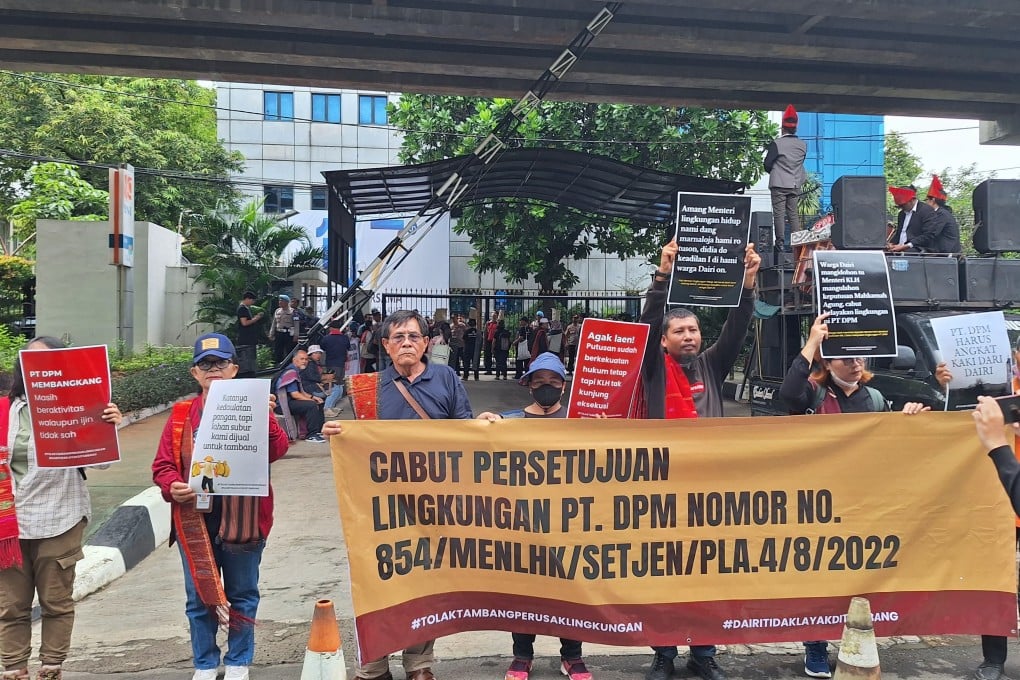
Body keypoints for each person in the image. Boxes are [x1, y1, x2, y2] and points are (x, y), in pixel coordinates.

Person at [323, 309, 473, 680]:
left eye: (413, 336)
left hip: (435, 500)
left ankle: (419, 662)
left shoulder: (446, 378)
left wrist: (484, 426)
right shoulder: (366, 387)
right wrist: (337, 433)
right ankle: (375, 663)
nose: (406, 342)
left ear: (426, 343)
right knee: (381, 577)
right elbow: (357, 440)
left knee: (429, 579)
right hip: (382, 503)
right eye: (397, 337)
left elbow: (465, 430)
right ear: (385, 346)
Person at [779, 312, 930, 678]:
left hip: (862, 502)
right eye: (846, 356)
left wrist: (909, 420)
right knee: (817, 576)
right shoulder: (812, 393)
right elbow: (787, 395)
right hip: (817, 504)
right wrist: (813, 341)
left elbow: (893, 448)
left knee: (856, 577)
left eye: (860, 356)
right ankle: (815, 645)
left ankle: (854, 639)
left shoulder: (876, 397)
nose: (855, 362)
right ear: (828, 362)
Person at [639, 239, 760, 680]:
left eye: (693, 330)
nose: (689, 336)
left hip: (709, 491)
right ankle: (664, 653)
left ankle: (704, 653)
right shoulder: (653, 370)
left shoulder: (711, 365)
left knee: (708, 574)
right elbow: (648, 325)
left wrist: (747, 286)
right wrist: (662, 276)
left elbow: (738, 329)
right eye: (680, 332)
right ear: (667, 341)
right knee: (665, 576)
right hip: (662, 490)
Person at [152, 333, 289, 680]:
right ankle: (206, 663)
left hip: (244, 518)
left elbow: (278, 450)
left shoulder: (253, 405)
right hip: (195, 518)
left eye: (220, 363)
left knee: (243, 593)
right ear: (194, 373)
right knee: (198, 598)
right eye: (205, 364)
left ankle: (239, 661)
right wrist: (173, 486)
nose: (213, 369)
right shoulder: (182, 415)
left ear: (234, 369)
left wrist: (267, 418)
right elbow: (163, 465)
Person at [0, 337, 123, 680]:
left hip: (60, 517)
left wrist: (108, 424)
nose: (38, 369)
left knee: (55, 600)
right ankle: (13, 669)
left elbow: (100, 464)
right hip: (9, 524)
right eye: (31, 361)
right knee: (10, 605)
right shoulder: (4, 412)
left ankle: (51, 667)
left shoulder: (78, 406)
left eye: (47, 362)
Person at [475, 352, 592, 680]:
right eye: (539, 382)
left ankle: (572, 656)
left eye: (553, 382)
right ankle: (522, 656)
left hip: (568, 524)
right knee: (523, 591)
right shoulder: (508, 422)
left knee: (572, 591)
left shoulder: (579, 423)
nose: (546, 388)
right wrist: (481, 428)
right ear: (529, 386)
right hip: (523, 525)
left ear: (564, 386)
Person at [764, 104, 807, 252]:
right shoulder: (803, 145)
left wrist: (776, 171)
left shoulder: (776, 144)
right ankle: (797, 243)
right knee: (793, 213)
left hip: (778, 184)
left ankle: (780, 243)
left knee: (779, 214)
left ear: (783, 127)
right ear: (795, 128)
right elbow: (799, 164)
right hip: (795, 184)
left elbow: (767, 164)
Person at [276, 348, 326, 443]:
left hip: (291, 401)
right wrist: (311, 401)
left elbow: (301, 392)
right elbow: (295, 395)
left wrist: (313, 397)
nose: (305, 361)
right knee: (311, 405)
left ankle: (319, 430)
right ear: (294, 360)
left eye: (306, 359)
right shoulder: (291, 372)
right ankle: (311, 435)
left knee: (318, 401)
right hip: (282, 405)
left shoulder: (296, 371)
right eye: (302, 359)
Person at [887, 185, 939, 254]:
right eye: (899, 206)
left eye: (903, 205)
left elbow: (929, 235)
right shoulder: (902, 214)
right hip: (901, 247)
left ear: (912, 200)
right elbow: (900, 233)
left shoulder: (926, 211)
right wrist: (891, 243)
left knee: (908, 253)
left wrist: (907, 245)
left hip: (918, 247)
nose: (902, 208)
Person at [923, 175, 963, 255]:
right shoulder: (941, 213)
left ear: (932, 200)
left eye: (926, 200)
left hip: (947, 252)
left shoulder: (942, 214)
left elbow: (932, 233)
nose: (925, 203)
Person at [319, 320, 351, 419]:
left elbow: (322, 348)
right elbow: (348, 348)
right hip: (341, 364)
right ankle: (331, 407)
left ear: (331, 328)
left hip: (330, 365)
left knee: (332, 387)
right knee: (339, 385)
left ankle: (327, 407)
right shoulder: (345, 338)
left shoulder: (326, 338)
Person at [235, 291, 263, 377]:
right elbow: (244, 323)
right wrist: (256, 318)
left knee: (251, 358)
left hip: (250, 338)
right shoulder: (242, 309)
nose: (253, 303)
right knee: (247, 359)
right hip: (246, 339)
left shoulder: (246, 308)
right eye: (252, 300)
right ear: (247, 299)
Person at [270, 295, 296, 364]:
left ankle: (289, 366)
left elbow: (296, 324)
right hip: (279, 333)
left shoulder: (293, 311)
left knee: (289, 351)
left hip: (288, 334)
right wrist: (271, 334)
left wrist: (296, 335)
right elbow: (274, 323)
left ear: (286, 302)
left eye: (282, 301)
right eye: (279, 301)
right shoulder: (277, 311)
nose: (280, 302)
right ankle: (278, 366)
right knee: (278, 351)